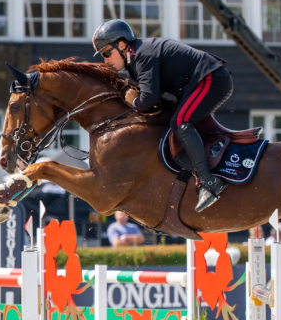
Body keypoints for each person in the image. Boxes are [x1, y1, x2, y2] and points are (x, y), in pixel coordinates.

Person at [92, 19, 234, 212]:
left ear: (122, 45)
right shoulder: (136, 57)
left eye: (106, 53)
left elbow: (148, 100)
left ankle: (208, 182)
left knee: (181, 122)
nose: (105, 60)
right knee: (176, 121)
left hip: (211, 79)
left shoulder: (142, 55)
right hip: (201, 82)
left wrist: (134, 101)